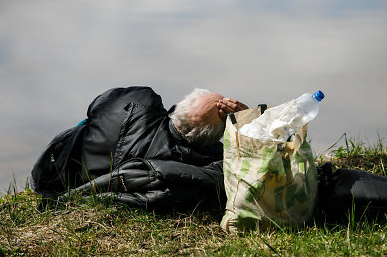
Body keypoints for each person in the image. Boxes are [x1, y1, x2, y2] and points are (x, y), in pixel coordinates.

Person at [31, 86, 248, 210]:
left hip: (52, 176)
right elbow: (252, 164)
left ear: (181, 103)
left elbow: (95, 107)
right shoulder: (196, 163)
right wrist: (247, 123)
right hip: (80, 191)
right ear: (212, 142)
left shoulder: (138, 99)